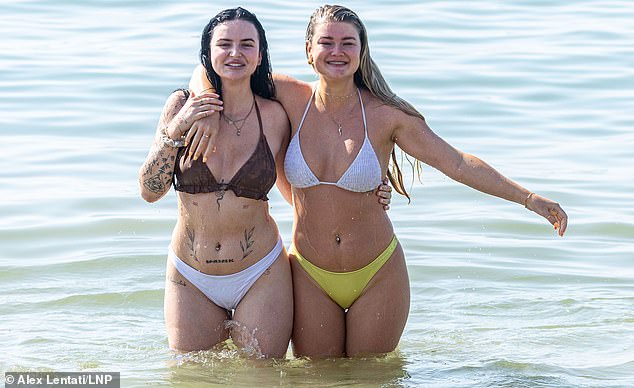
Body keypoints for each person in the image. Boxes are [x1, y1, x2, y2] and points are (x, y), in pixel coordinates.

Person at [190, 5, 568, 358]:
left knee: (372, 377)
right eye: (326, 42)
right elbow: (214, 68)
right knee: (317, 378)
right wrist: (206, 103)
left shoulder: (386, 115)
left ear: (361, 51)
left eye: (347, 43)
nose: (337, 51)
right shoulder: (291, 97)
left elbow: (456, 163)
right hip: (308, 271)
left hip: (377, 273)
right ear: (309, 50)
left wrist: (529, 198)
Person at [139, 7, 294, 358]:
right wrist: (176, 130)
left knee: (263, 379)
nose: (235, 53)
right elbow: (149, 191)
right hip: (189, 276)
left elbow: (307, 174)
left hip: (261, 272)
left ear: (260, 56)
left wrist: (371, 189)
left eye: (246, 44)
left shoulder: (276, 116)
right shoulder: (181, 104)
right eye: (224, 44)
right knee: (192, 376)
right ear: (208, 53)